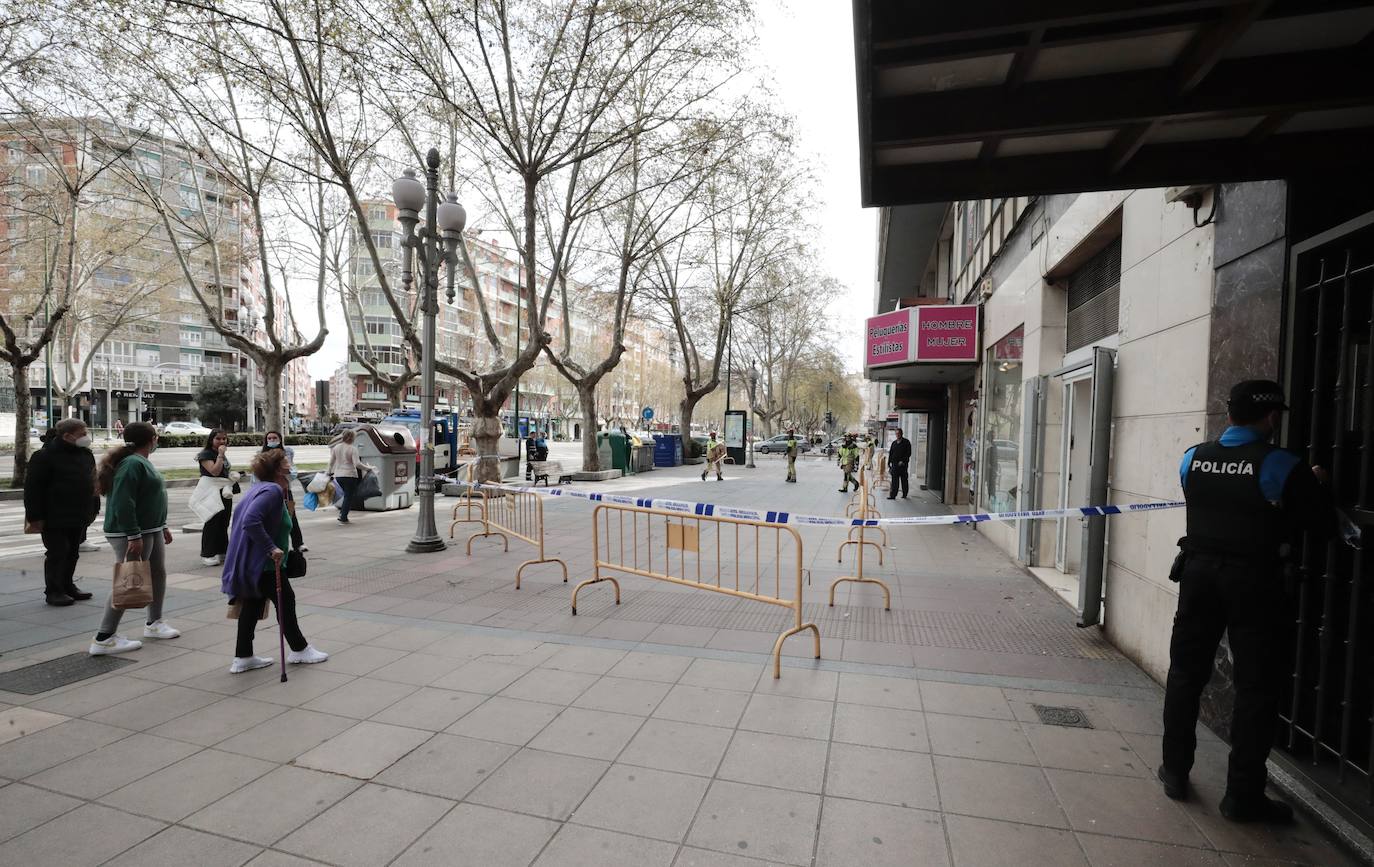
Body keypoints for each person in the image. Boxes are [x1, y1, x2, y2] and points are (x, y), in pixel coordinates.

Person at [1159, 380, 1339, 824]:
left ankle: (1175, 771)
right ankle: (1241, 796)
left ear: (1230, 413)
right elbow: (1319, 521)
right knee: (1256, 688)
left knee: (1185, 674)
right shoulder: (1281, 464)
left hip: (1198, 575)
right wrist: (1314, 483)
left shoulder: (1193, 457)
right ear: (1271, 417)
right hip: (1254, 582)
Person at [222, 447, 327, 673]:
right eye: (287, 461)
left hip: (254, 562)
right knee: (285, 602)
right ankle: (299, 649)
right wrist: (271, 548)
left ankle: (243, 656)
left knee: (252, 606)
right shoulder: (271, 491)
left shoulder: (263, 488)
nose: (291, 463)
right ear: (279, 468)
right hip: (265, 563)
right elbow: (250, 521)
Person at [89, 421, 179, 655]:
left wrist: (162, 525)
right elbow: (123, 502)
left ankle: (154, 622)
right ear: (151, 439)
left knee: (157, 572)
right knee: (128, 579)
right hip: (132, 531)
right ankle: (104, 637)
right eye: (156, 436)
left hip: (151, 528)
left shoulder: (139, 461)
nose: (157, 440)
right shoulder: (131, 464)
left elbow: (148, 498)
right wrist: (133, 534)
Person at [24, 418, 99, 606]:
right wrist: (35, 517)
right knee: (58, 552)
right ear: (67, 436)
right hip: (54, 516)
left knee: (73, 552)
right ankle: (54, 590)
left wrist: (94, 507)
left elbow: (92, 482)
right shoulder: (44, 456)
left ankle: (68, 585)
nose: (86, 437)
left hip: (80, 514)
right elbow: (33, 489)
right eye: (82, 434)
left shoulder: (85, 454)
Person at [263, 431, 306, 552]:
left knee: (291, 516)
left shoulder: (287, 452)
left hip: (286, 491)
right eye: (269, 438)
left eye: (274, 438)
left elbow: (292, 471)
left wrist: (285, 471)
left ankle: (298, 543)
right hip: (269, 492)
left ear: (280, 439)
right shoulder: (262, 454)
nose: (272, 440)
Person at [197, 430, 233, 567]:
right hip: (211, 491)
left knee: (224, 522)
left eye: (225, 438)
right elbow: (214, 471)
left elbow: (224, 471)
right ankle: (208, 553)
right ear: (211, 440)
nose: (222, 441)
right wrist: (220, 455)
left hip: (224, 491)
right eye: (218, 439)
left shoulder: (222, 455)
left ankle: (222, 550)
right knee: (212, 522)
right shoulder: (205, 455)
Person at [328, 429, 373, 524]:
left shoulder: (336, 447)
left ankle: (343, 515)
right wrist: (368, 468)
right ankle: (343, 516)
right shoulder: (353, 449)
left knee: (347, 495)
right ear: (352, 438)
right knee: (348, 496)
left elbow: (331, 462)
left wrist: (329, 472)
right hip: (350, 475)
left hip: (339, 476)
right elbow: (357, 464)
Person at [887, 428, 912, 499]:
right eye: (896, 434)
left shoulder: (906, 442)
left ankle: (905, 494)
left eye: (899, 433)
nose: (897, 435)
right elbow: (891, 453)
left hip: (903, 465)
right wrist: (889, 463)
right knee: (894, 481)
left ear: (901, 434)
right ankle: (893, 495)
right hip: (895, 465)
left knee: (904, 480)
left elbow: (908, 453)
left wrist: (903, 461)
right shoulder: (894, 443)